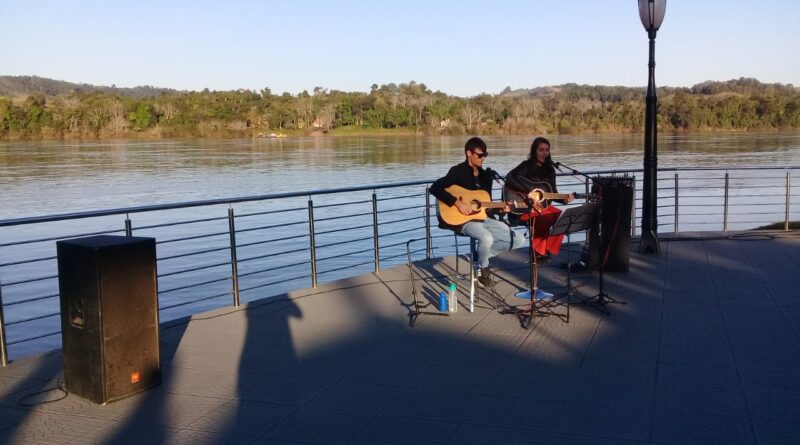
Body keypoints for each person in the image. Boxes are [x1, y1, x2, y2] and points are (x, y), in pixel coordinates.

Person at [430, 137, 525, 287]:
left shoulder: (486, 175)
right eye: (480, 155)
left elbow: (486, 205)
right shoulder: (458, 171)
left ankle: (480, 257)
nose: (483, 158)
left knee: (519, 239)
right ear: (469, 153)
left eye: (485, 155)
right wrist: (458, 203)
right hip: (463, 221)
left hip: (483, 219)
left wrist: (501, 209)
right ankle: (483, 268)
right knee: (486, 238)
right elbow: (435, 188)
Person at [505, 136, 575, 300]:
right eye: (541, 149)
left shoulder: (550, 169)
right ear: (534, 151)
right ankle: (539, 252)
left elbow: (551, 193)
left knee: (559, 214)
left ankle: (545, 249)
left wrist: (564, 198)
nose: (544, 152)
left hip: (542, 207)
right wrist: (530, 191)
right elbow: (510, 178)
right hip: (523, 207)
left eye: (547, 149)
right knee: (545, 216)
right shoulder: (525, 166)